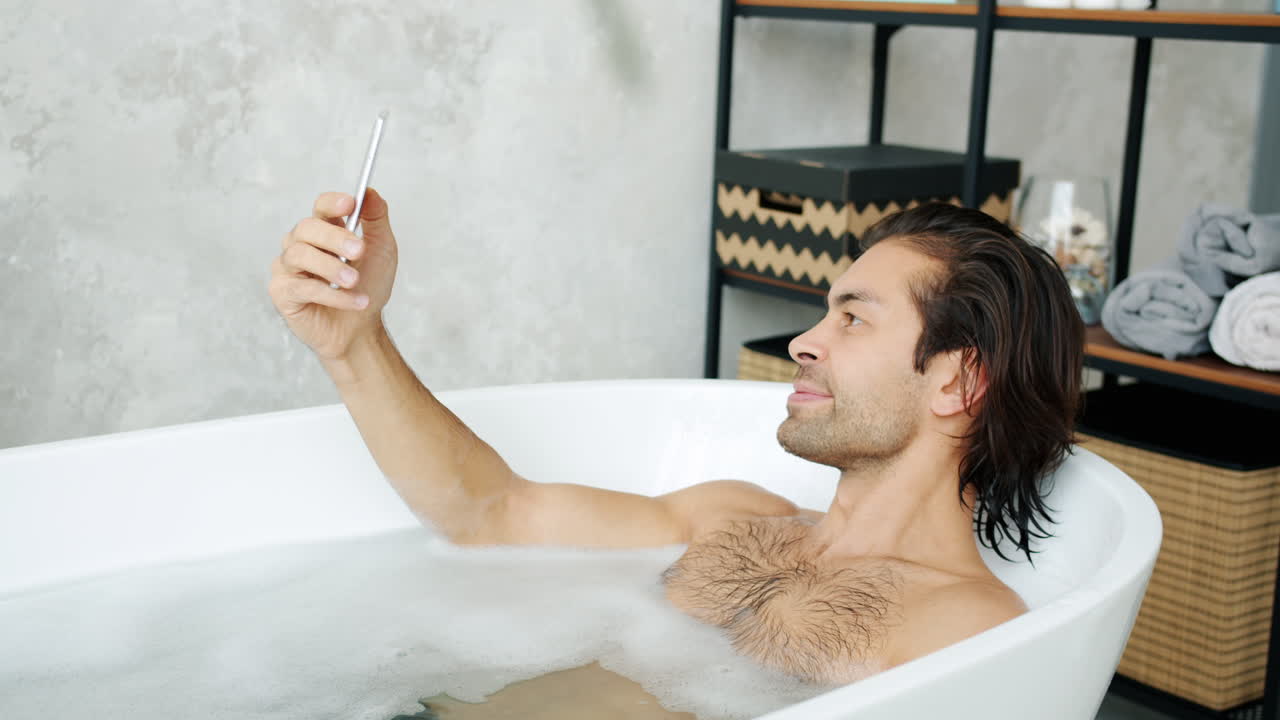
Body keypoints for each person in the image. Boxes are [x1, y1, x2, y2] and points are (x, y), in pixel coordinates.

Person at [267, 189, 1084, 686]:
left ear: (958, 381)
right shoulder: (729, 516)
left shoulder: (966, 629)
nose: (805, 341)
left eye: (852, 318)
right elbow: (492, 515)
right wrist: (353, 339)